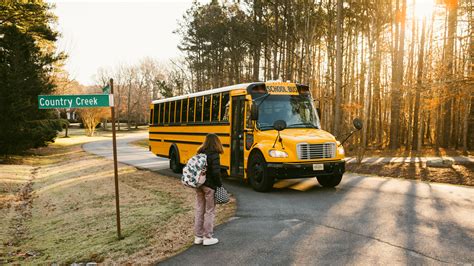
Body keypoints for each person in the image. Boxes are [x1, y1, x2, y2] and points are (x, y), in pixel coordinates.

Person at [194, 133, 223, 246]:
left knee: (199, 210)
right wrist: (219, 185)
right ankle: (207, 237)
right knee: (209, 211)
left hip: (199, 184)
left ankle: (198, 237)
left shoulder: (200, 152)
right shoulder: (214, 154)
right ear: (216, 142)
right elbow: (216, 172)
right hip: (209, 186)